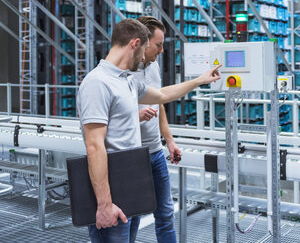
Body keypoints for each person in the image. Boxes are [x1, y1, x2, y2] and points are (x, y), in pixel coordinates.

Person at [77, 18, 221, 243]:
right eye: (144, 49)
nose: (144, 57)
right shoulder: (97, 83)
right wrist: (104, 205)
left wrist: (200, 81)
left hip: (131, 179)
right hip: (113, 187)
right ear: (134, 44)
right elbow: (94, 147)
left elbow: (162, 95)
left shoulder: (126, 81)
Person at [131, 16, 179, 242]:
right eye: (158, 45)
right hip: (131, 155)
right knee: (131, 217)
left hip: (155, 152)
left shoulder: (154, 67)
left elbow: (159, 103)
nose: (161, 51)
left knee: (166, 214)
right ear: (141, 42)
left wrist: (168, 140)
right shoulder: (124, 70)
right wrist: (135, 115)